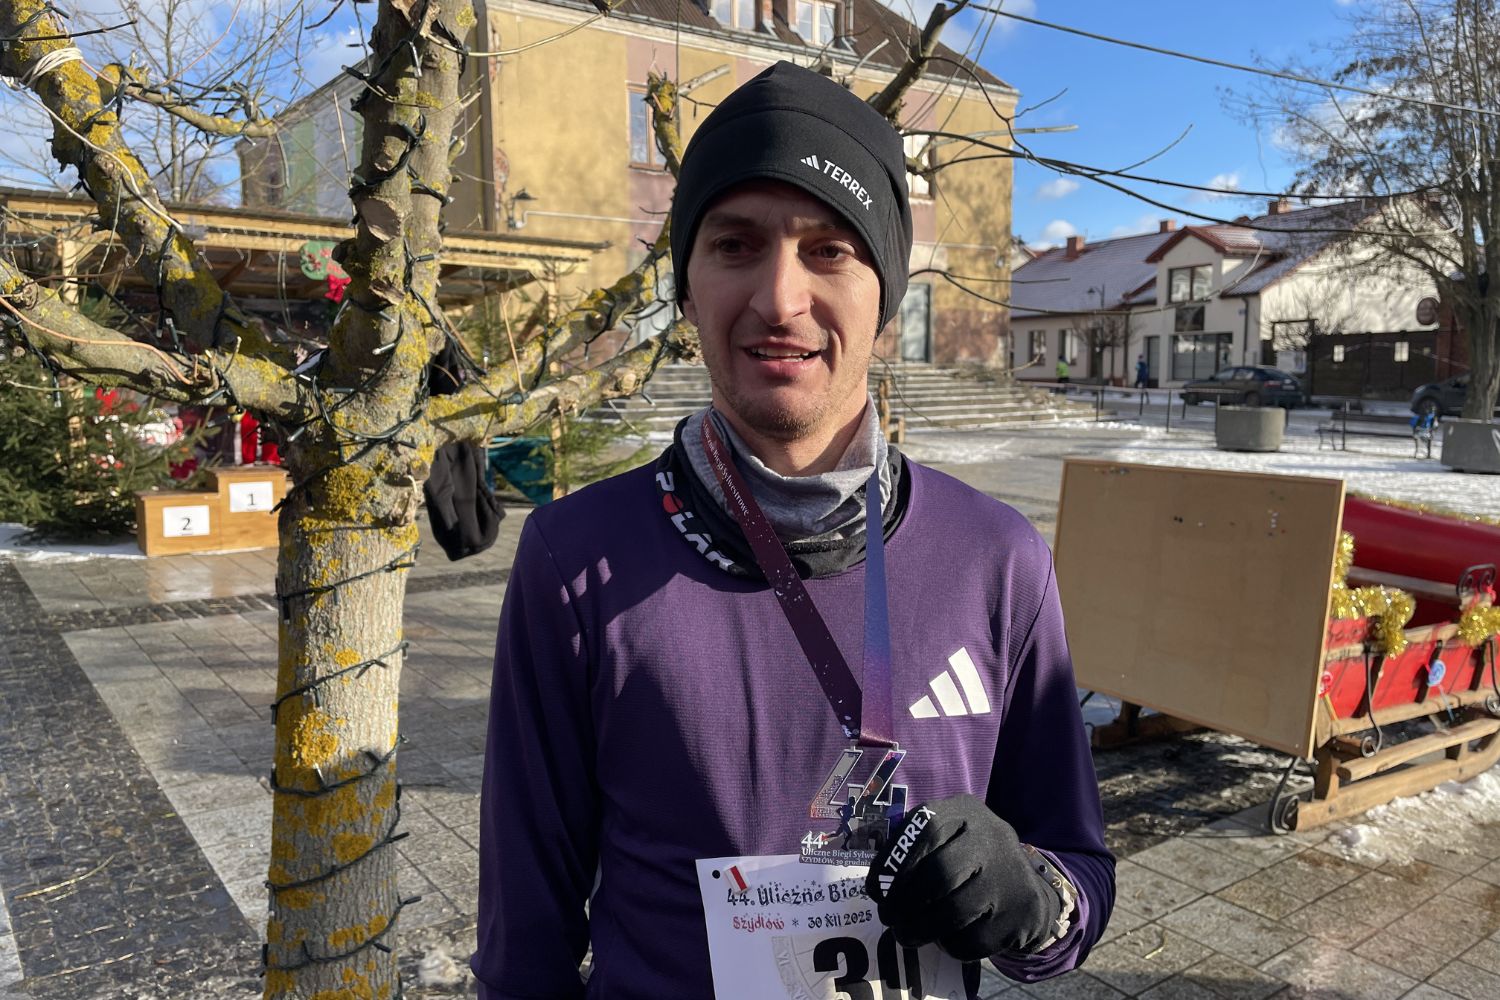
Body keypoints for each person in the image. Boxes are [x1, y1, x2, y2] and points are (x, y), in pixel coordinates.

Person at [473, 61, 1113, 999]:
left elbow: (1077, 884)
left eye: (829, 249)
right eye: (735, 244)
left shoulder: (998, 559)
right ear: (686, 287)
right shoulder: (574, 560)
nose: (779, 299)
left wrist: (1032, 898)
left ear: (886, 296)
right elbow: (522, 943)